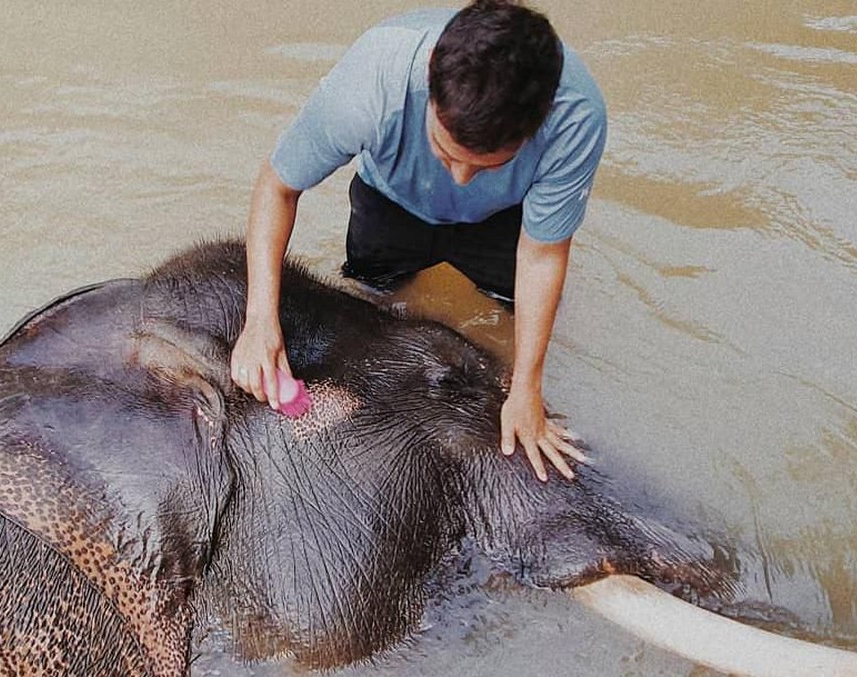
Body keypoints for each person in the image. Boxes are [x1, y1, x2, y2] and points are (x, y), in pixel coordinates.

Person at [229, 0, 606, 483]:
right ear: (430, 80)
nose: (461, 179)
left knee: (506, 317)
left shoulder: (575, 119)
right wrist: (260, 319)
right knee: (373, 297)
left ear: (538, 124)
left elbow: (542, 253)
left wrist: (526, 387)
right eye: (447, 152)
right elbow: (278, 187)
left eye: (485, 165)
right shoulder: (371, 83)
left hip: (501, 221)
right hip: (393, 199)